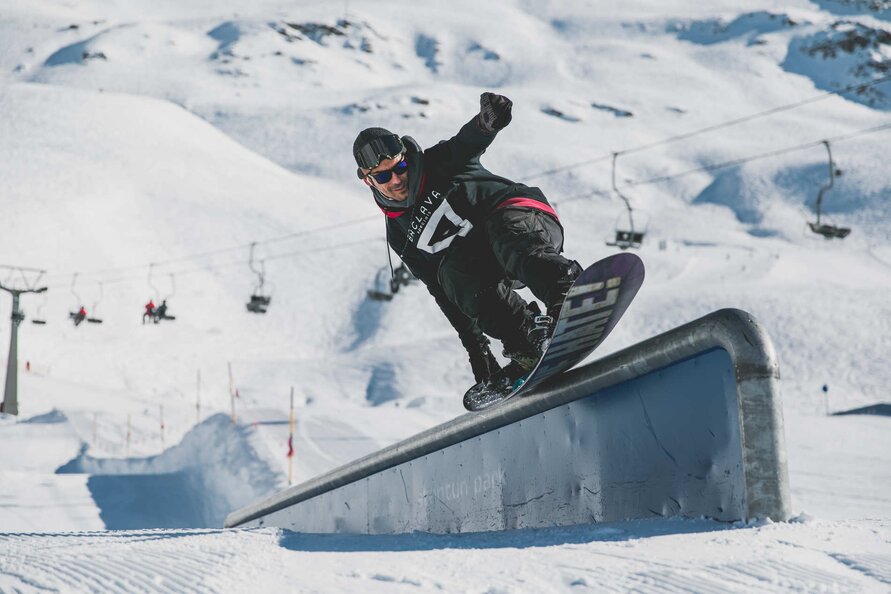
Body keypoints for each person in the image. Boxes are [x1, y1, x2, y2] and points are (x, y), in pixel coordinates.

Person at [353, 92, 582, 390]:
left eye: (400, 169)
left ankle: (565, 291)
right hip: (493, 267)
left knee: (501, 228)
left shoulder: (438, 162)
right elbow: (441, 291)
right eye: (384, 177)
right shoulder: (399, 233)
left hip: (526, 225)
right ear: (367, 179)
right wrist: (477, 349)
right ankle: (526, 340)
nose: (396, 180)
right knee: (451, 274)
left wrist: (487, 122)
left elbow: (469, 141)